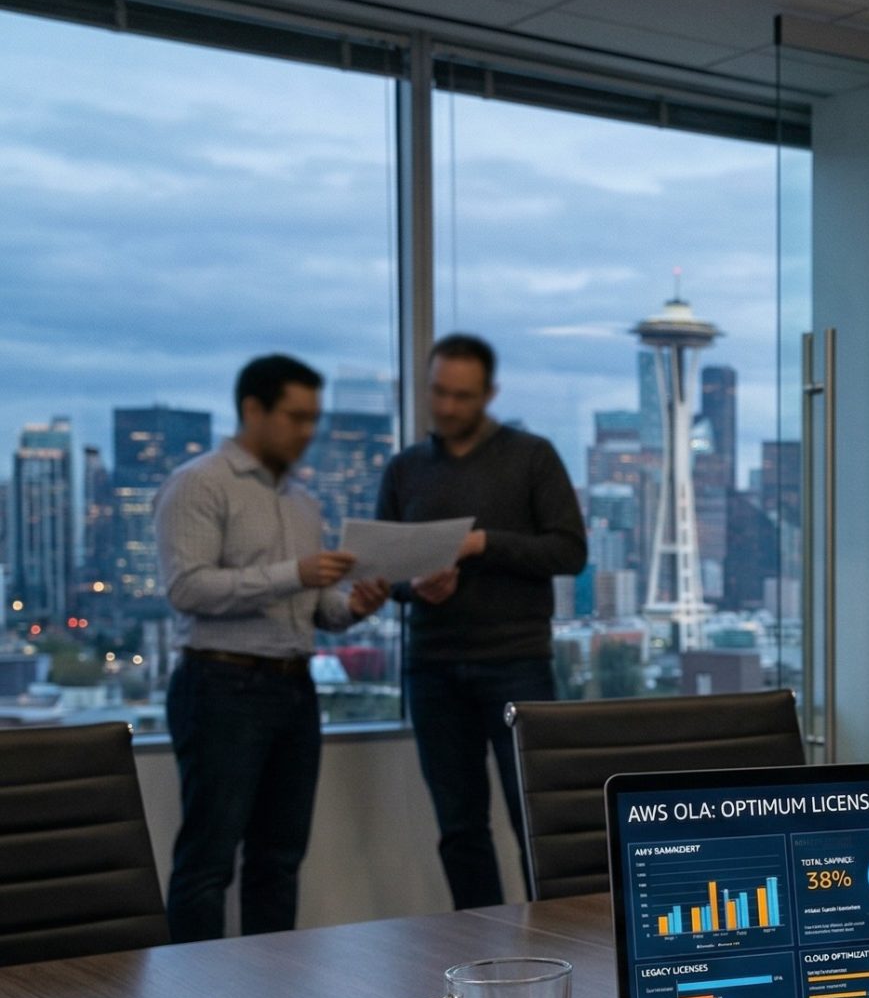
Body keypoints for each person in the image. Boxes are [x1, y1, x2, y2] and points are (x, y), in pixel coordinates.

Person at [157, 355, 391, 941]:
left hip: (293, 686)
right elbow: (187, 588)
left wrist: (354, 608)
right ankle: (194, 991)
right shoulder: (199, 483)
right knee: (208, 863)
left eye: (313, 418)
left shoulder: (302, 502)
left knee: (280, 860)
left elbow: (317, 609)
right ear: (252, 409)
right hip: (221, 685)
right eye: (295, 416)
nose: (308, 431)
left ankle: (271, 987)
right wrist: (295, 573)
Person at [376, 333, 586, 909]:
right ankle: (483, 945)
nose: (446, 407)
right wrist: (415, 585)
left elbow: (569, 551)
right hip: (432, 667)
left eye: (462, 396)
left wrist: (481, 544)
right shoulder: (404, 470)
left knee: (537, 821)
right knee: (459, 828)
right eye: (438, 392)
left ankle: (561, 938)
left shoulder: (532, 456)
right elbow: (384, 572)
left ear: (489, 394)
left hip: (516, 663)